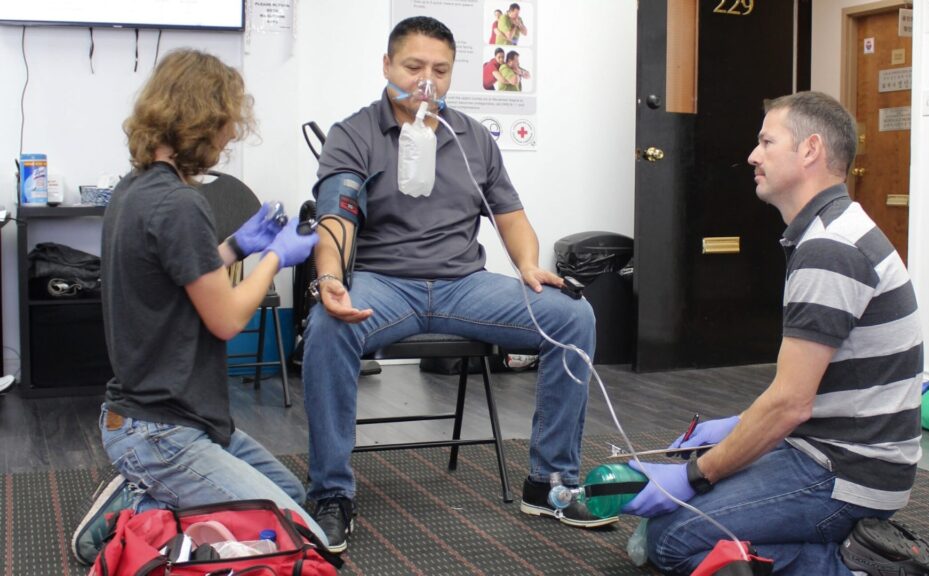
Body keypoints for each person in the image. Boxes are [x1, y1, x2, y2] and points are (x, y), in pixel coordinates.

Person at [303, 16, 609, 554]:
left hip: (464, 285)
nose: (427, 81)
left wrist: (528, 265)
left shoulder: (471, 138)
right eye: (414, 67)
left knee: (572, 315)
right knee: (328, 325)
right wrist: (330, 277)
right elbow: (337, 219)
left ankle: (550, 482)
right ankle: (330, 493)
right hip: (385, 285)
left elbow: (511, 215)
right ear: (387, 66)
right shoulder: (354, 135)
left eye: (440, 71)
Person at [621, 92, 929, 576]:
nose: (753, 155)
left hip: (845, 474)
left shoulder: (830, 248)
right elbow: (808, 391)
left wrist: (694, 475)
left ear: (810, 150)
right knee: (685, 521)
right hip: (828, 451)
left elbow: (790, 404)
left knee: (671, 540)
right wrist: (738, 427)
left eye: (767, 142)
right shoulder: (829, 230)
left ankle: (860, 568)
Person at [70, 49, 322, 566]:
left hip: (163, 418)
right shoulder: (181, 204)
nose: (230, 138)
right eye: (228, 124)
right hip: (161, 433)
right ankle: (136, 510)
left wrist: (238, 246)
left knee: (290, 498)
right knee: (300, 536)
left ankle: (153, 496)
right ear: (204, 121)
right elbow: (226, 319)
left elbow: (175, 275)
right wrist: (276, 257)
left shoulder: (134, 189)